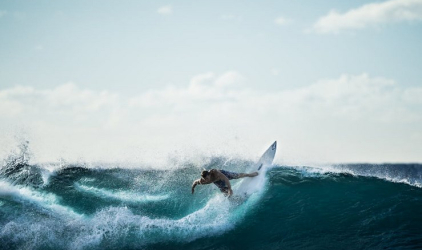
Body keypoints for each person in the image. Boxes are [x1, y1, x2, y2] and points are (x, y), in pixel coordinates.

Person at [191, 169, 258, 197]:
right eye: (204, 179)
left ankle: (250, 174)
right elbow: (195, 182)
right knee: (226, 194)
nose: (206, 180)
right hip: (217, 182)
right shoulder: (202, 181)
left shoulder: (215, 173)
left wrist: (230, 188)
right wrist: (193, 188)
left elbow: (226, 179)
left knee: (237, 176)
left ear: (209, 174)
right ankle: (237, 198)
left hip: (223, 174)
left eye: (207, 178)